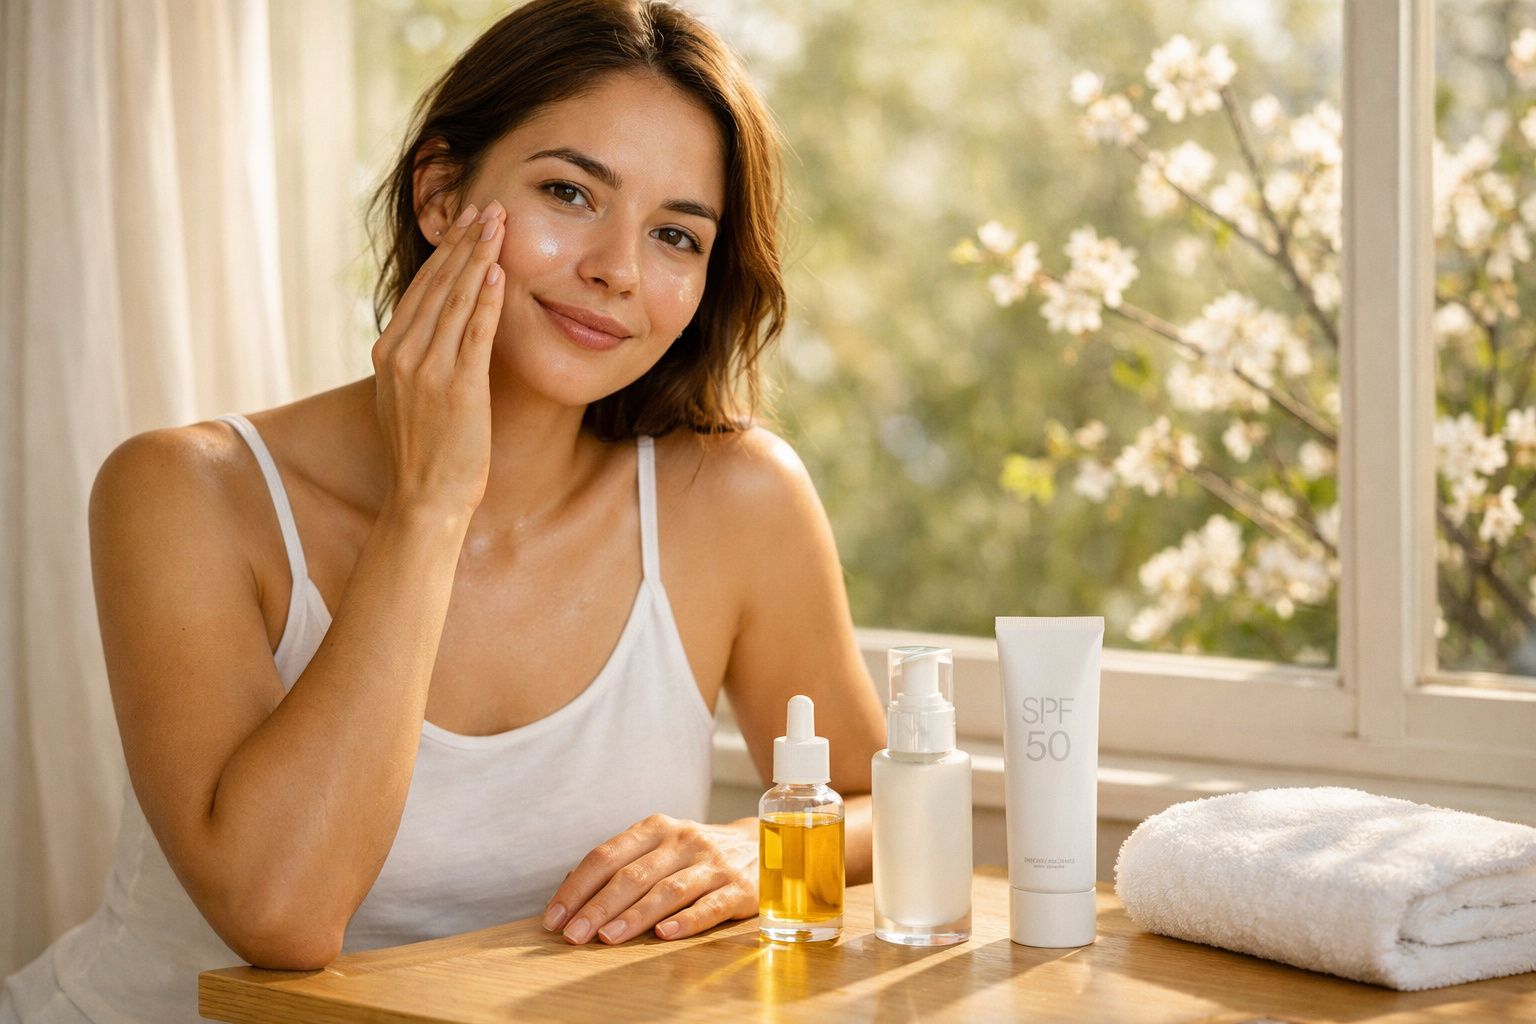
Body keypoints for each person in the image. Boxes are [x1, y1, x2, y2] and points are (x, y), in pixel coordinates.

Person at [1, 1, 886, 1020]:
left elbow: (888, 801)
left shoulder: (735, 500)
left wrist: (762, 848)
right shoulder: (185, 491)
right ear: (438, 193)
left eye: (676, 235)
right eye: (569, 192)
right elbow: (284, 916)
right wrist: (429, 507)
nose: (618, 269)